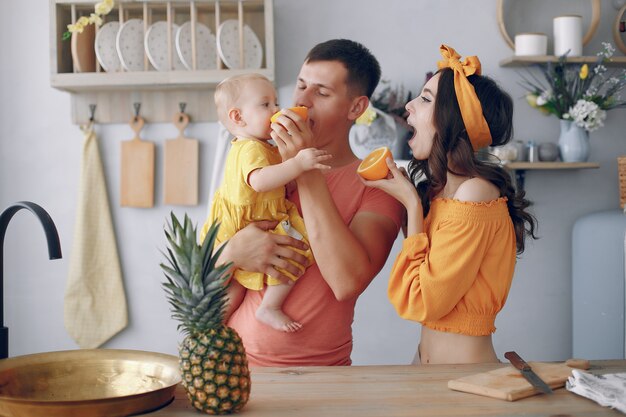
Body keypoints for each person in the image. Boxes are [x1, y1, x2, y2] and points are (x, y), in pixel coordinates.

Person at [216, 39, 405, 366]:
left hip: (321, 374)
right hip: (232, 365)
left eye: (321, 92)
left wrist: (305, 170)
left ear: (356, 108)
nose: (301, 100)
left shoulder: (376, 186)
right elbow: (198, 275)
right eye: (301, 86)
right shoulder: (259, 163)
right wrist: (230, 254)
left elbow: (346, 282)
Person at [364, 45, 537, 365]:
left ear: (455, 122)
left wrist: (412, 208)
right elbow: (423, 279)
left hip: (464, 378)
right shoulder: (442, 193)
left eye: (426, 99)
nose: (409, 105)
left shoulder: (475, 193)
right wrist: (413, 205)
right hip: (424, 367)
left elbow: (422, 301)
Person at [201, 73, 332, 333]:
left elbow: (278, 183)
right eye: (265, 105)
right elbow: (260, 182)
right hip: (246, 223)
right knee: (299, 247)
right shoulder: (250, 148)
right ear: (238, 117)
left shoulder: (260, 146)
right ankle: (269, 306)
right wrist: (298, 164)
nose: (277, 110)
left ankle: (213, 330)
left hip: (246, 223)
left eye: (275, 102)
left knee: (235, 288)